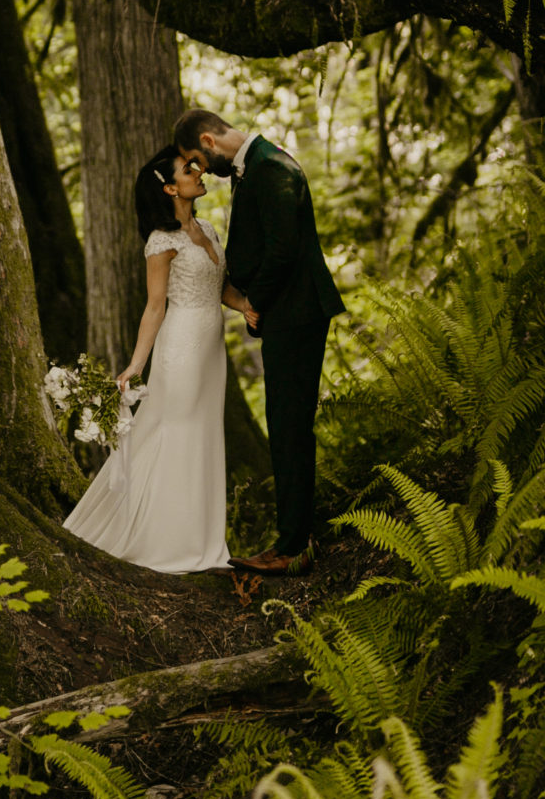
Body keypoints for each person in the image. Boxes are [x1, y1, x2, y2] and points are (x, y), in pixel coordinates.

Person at [62, 145, 255, 575]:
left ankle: (203, 540)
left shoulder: (207, 228)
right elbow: (154, 307)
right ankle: (167, 542)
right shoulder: (160, 242)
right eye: (188, 170)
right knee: (177, 434)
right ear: (169, 188)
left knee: (204, 434)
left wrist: (244, 307)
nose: (198, 173)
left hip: (211, 352)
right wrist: (134, 365)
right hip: (181, 348)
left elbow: (219, 288)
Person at [173, 109, 344, 574]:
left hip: (296, 312)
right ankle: (293, 538)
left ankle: (294, 547)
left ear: (209, 140)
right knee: (283, 423)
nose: (201, 170)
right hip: (286, 313)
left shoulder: (273, 167)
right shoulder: (255, 169)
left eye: (197, 160)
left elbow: (284, 249)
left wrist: (255, 304)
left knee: (289, 425)